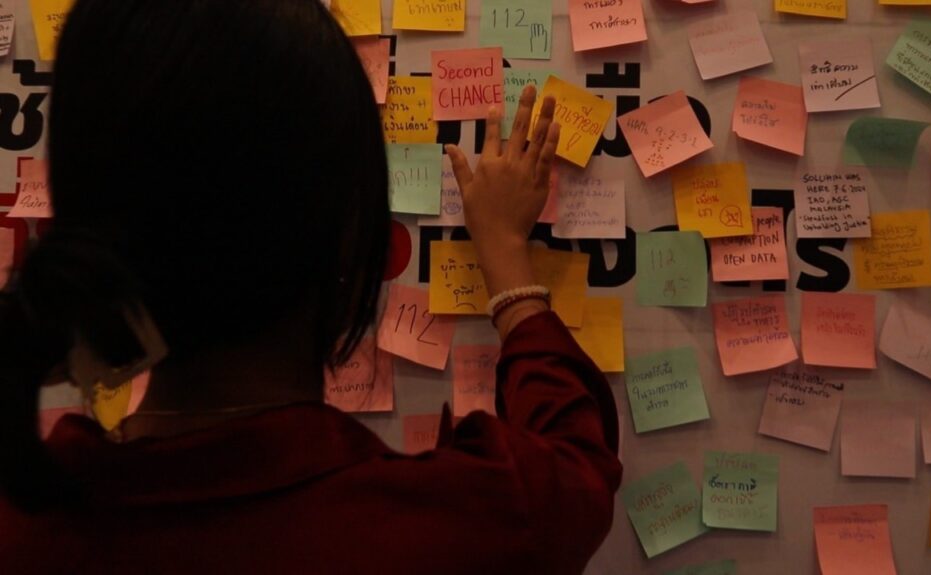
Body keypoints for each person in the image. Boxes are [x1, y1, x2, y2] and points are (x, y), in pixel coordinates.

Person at [0, 1, 621, 573]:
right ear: (351, 239)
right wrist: (509, 266)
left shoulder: (28, 526)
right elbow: (575, 466)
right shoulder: (458, 527)